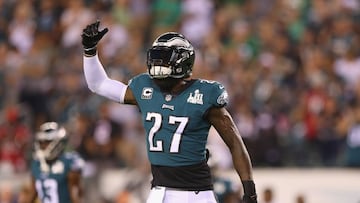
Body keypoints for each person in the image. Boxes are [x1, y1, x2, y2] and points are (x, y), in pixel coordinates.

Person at [81, 20, 257, 203]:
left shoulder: (204, 95)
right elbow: (98, 84)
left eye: (164, 58)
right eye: (156, 56)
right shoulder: (145, 89)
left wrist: (250, 192)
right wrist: (90, 51)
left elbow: (235, 143)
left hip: (195, 194)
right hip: (159, 191)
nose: (158, 63)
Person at [26, 122, 84, 203]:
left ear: (57, 142)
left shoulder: (69, 162)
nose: (42, 146)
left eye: (46, 142)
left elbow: (75, 196)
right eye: (41, 142)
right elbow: (32, 193)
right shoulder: (37, 164)